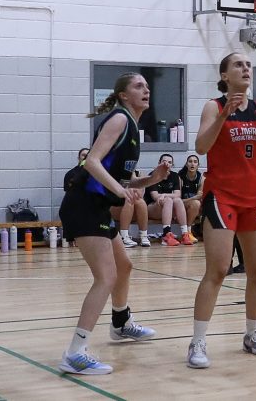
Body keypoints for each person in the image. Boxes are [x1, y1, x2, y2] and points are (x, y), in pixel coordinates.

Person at [57, 73, 171, 375]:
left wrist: (152, 179)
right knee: (106, 277)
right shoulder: (119, 119)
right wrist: (121, 191)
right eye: (138, 86)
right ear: (123, 95)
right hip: (83, 206)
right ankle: (75, 352)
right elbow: (92, 162)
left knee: (124, 266)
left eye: (147, 86)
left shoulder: (133, 126)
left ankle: (121, 323)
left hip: (97, 207)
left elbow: (125, 180)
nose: (146, 90)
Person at [187, 52, 256, 369]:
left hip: (254, 198)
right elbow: (201, 147)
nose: (245, 68)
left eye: (248, 65)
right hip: (222, 197)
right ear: (224, 75)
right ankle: (197, 341)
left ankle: (252, 334)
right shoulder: (214, 106)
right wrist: (223, 117)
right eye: (238, 65)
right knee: (218, 270)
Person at [146, 153, 195, 246]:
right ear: (159, 163)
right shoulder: (153, 175)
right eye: (164, 162)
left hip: (167, 208)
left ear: (172, 165)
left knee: (178, 200)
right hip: (152, 208)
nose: (167, 164)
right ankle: (166, 235)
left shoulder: (174, 176)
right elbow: (155, 196)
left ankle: (185, 234)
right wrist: (166, 197)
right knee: (169, 200)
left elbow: (178, 195)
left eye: (169, 162)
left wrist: (164, 194)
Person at [179, 154, 204, 231]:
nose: (192, 164)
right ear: (186, 164)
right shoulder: (180, 177)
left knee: (199, 204)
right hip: (180, 205)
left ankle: (190, 230)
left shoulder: (201, 178)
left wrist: (195, 198)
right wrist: (193, 198)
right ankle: (187, 231)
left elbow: (199, 198)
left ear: (198, 165)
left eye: (195, 162)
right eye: (190, 161)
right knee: (196, 203)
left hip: (193, 206)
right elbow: (178, 200)